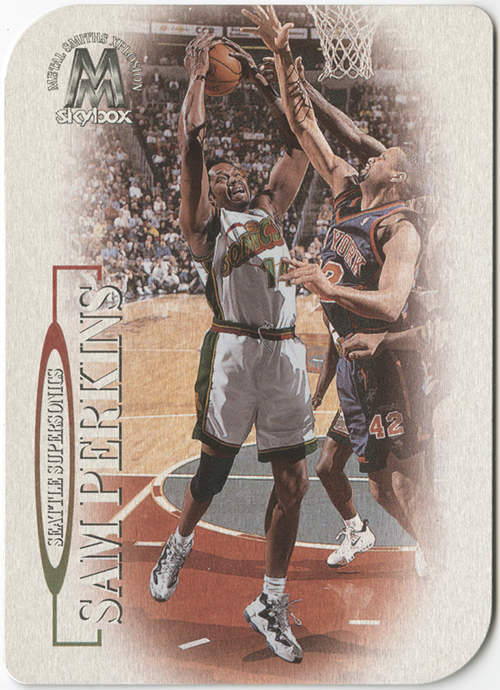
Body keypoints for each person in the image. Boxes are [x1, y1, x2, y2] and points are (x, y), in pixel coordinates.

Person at [243, 6, 434, 574]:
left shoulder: (398, 228)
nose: (374, 155)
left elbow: (392, 304)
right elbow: (307, 130)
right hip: (352, 365)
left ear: (397, 176)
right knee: (366, 483)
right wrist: (282, 55)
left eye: (385, 156)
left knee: (403, 485)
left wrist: (326, 285)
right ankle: (416, 543)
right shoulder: (347, 189)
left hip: (389, 365)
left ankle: (456, 563)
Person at [149, 30, 317, 664]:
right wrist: (198, 77)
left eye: (238, 172)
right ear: (211, 192)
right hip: (234, 354)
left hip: (286, 354)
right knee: (214, 472)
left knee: (294, 481)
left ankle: (270, 600)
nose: (233, 177)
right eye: (221, 177)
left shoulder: (272, 208)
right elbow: (192, 145)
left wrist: (259, 78)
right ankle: (180, 542)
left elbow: (295, 144)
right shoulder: (204, 227)